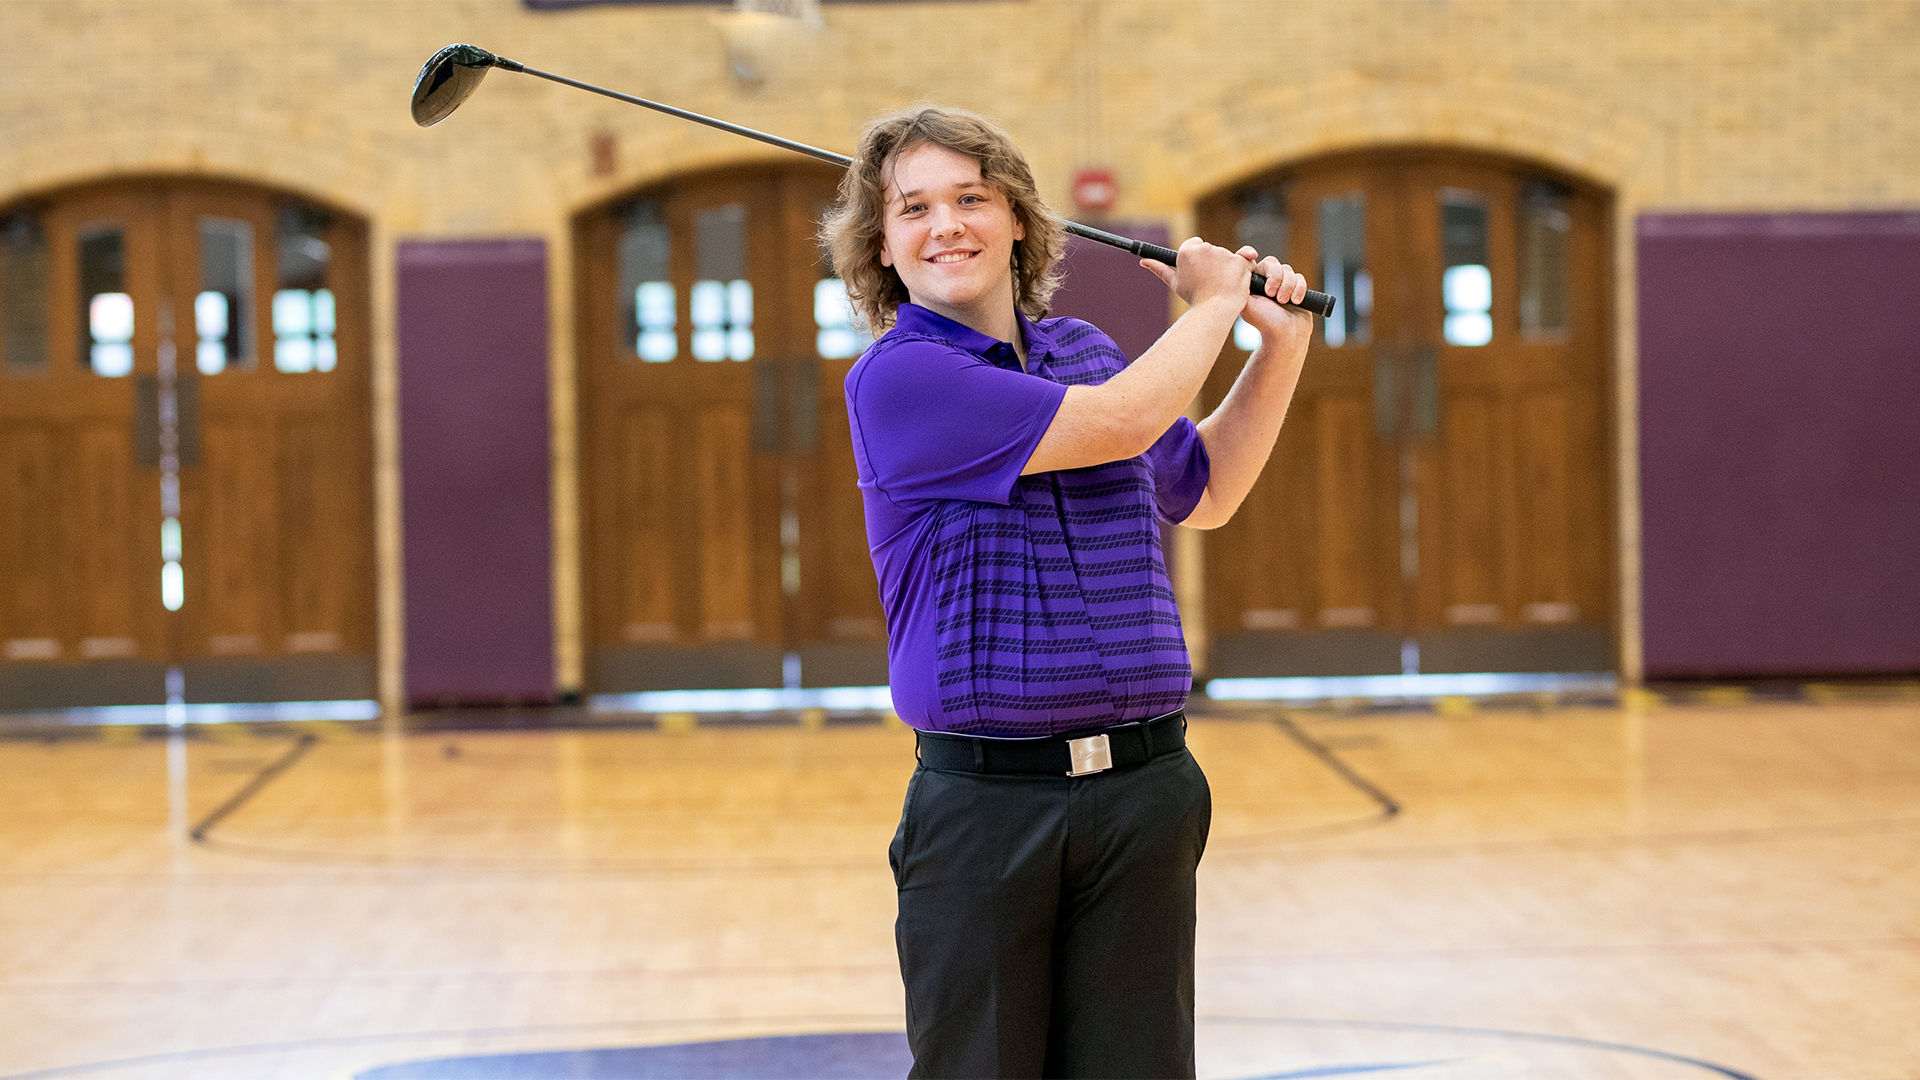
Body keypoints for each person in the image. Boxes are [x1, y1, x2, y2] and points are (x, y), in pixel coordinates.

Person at [820, 106, 1313, 1079]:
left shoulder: (1083, 350)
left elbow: (1205, 491)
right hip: (987, 809)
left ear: (1017, 221)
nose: (945, 224)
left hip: (1145, 796)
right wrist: (1213, 303)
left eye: (971, 197)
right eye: (913, 208)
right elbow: (1121, 423)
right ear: (883, 247)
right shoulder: (900, 377)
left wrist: (1280, 341)